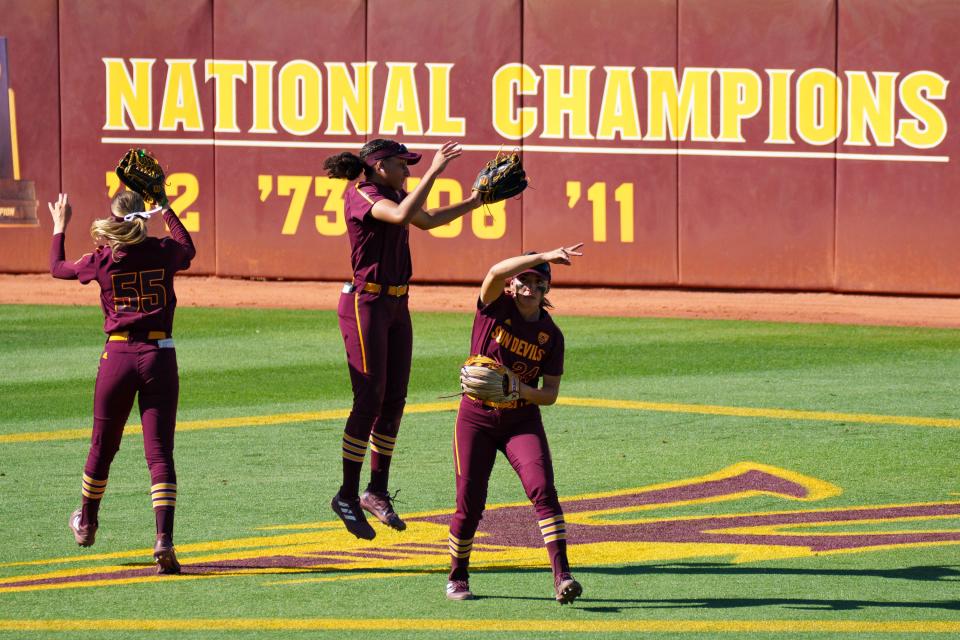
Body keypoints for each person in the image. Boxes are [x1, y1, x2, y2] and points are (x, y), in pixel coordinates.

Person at [322, 139, 483, 539]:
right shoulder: (363, 193)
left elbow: (425, 220)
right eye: (402, 164)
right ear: (379, 166)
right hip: (366, 303)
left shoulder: (391, 191)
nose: (408, 169)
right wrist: (436, 171)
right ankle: (345, 494)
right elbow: (400, 217)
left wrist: (477, 201)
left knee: (395, 398)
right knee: (370, 397)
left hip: (396, 304)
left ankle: (375, 491)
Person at [48, 181, 195, 574]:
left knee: (102, 445)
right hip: (159, 355)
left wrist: (60, 226)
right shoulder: (163, 251)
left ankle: (87, 522)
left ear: (114, 220)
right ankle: (163, 538)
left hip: (118, 356)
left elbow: (57, 269)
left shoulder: (103, 258)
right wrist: (164, 204)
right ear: (144, 219)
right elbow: (188, 248)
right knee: (159, 452)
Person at [445, 244, 584, 604]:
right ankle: (458, 576)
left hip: (520, 418)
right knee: (470, 502)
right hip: (475, 416)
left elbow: (550, 393)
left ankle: (562, 576)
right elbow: (494, 271)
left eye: (538, 281)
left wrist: (517, 387)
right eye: (524, 278)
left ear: (545, 291)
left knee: (542, 490)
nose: (529, 285)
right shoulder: (494, 306)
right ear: (513, 284)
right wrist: (545, 256)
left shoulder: (551, 336)